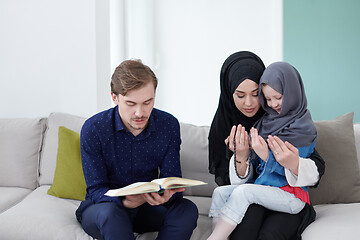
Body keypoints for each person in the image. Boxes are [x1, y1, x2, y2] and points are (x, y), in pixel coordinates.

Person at [75, 59, 198, 240]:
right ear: (114, 97)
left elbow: (171, 178)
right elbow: (96, 190)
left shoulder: (169, 125)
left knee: (187, 209)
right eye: (131, 104)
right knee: (110, 214)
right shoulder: (94, 128)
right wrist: (125, 201)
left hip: (148, 208)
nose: (140, 113)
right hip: (105, 208)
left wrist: (166, 196)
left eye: (147, 102)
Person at [208, 51, 325, 240]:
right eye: (240, 95)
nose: (249, 103)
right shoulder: (232, 128)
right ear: (229, 94)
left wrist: (281, 160)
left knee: (270, 233)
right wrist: (242, 157)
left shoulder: (289, 121)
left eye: (256, 95)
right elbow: (235, 188)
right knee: (242, 227)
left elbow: (315, 166)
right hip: (255, 194)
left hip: (287, 196)